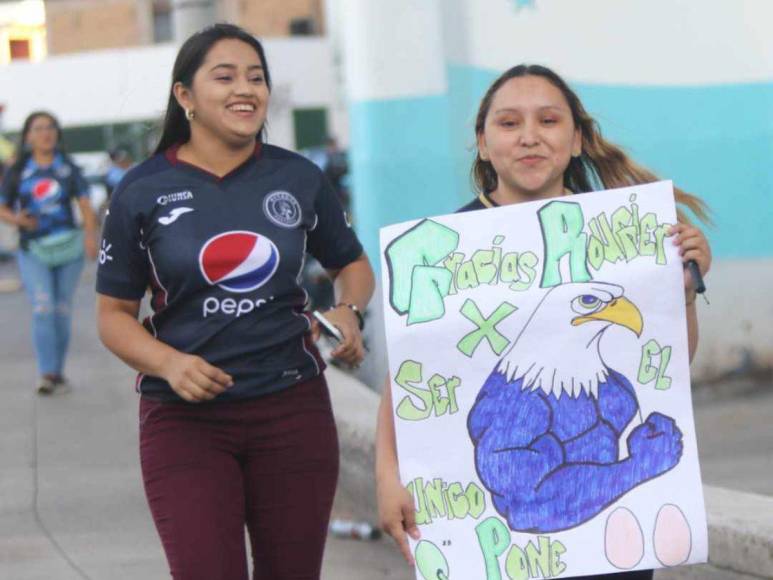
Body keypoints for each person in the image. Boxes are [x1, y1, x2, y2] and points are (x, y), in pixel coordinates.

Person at [375, 64, 711, 580]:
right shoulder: (443, 251)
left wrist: (682, 293)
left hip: (611, 553)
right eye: (509, 123)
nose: (529, 136)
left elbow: (666, 368)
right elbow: (407, 378)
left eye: (548, 121)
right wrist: (387, 475)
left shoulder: (625, 238)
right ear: (482, 144)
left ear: (576, 139)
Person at [95, 24, 374, 580]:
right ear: (185, 96)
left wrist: (349, 311)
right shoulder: (142, 189)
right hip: (185, 423)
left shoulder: (297, 177)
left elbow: (351, 264)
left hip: (293, 410)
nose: (245, 89)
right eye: (224, 77)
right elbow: (113, 317)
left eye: (257, 77)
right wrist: (169, 364)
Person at [0, 111, 99, 394]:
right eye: (39, 128)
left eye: (51, 127)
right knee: (43, 308)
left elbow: (84, 204)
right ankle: (47, 374)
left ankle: (58, 372)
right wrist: (17, 220)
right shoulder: (18, 170)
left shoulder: (68, 167)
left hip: (69, 249)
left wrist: (90, 237)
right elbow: (2, 206)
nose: (46, 133)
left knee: (61, 311)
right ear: (28, 136)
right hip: (34, 250)